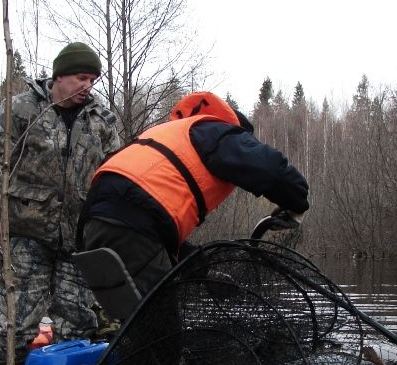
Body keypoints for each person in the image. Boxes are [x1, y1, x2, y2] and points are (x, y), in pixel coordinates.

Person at [76, 91, 309, 318]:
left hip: (93, 224)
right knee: (160, 331)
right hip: (132, 225)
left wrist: (204, 269)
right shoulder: (216, 131)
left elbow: (154, 226)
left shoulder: (167, 138)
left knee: (138, 319)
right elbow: (271, 169)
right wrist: (296, 203)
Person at [0, 41, 121, 365]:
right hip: (25, 234)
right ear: (59, 76)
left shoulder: (103, 120)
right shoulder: (20, 111)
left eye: (93, 80)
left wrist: (111, 227)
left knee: (78, 322)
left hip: (78, 239)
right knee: (17, 325)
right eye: (81, 77)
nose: (87, 85)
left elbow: (115, 176)